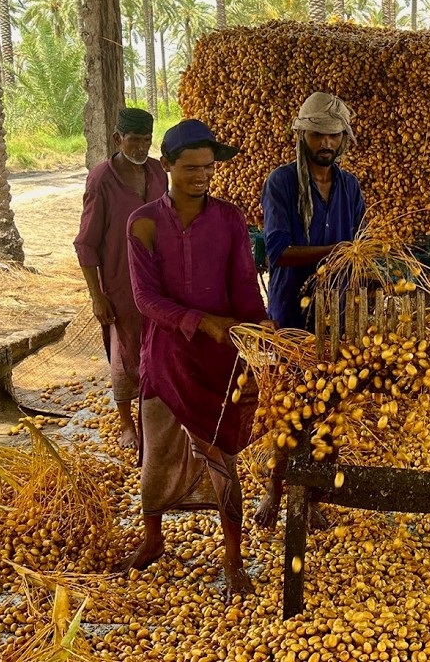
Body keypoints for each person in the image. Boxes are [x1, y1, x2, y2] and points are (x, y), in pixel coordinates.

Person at [121, 119, 272, 599]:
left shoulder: (229, 219)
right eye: (190, 169)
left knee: (222, 459)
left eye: (208, 168)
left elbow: (244, 289)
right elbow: (145, 299)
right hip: (166, 357)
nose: (202, 177)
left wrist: (260, 332)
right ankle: (153, 539)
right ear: (164, 166)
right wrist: (199, 321)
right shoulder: (143, 222)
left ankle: (233, 558)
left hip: (219, 361)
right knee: (158, 454)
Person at [255, 92, 366, 529]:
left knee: (331, 406)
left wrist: (366, 267)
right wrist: (339, 252)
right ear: (301, 134)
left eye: (333, 135)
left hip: (337, 312)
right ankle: (275, 488)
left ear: (343, 139)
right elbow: (278, 251)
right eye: (317, 133)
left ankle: (314, 494)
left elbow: (360, 248)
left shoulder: (349, 186)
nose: (326, 142)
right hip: (291, 311)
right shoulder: (281, 183)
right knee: (288, 403)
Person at [74, 108, 169, 450]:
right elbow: (86, 242)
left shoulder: (158, 171)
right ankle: (127, 423)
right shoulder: (103, 179)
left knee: (158, 348)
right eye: (134, 139)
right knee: (125, 351)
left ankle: (157, 416)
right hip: (120, 280)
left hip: (158, 277)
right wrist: (96, 295)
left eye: (146, 139)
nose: (142, 146)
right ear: (118, 139)